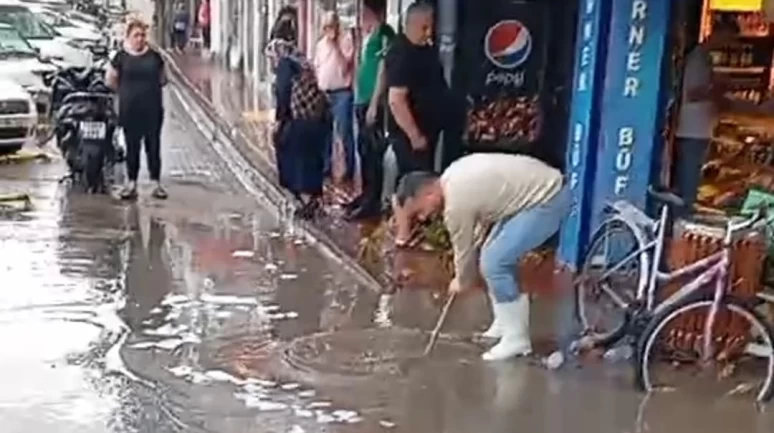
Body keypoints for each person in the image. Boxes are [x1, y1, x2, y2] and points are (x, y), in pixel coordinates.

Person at [395, 153, 571, 361]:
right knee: (492, 254)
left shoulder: (455, 205)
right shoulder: (453, 174)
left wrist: (461, 280)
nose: (424, 218)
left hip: (548, 198)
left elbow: (464, 251)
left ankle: (516, 338)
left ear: (427, 193)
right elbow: (481, 220)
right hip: (536, 192)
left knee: (495, 262)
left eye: (420, 211)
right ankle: (504, 323)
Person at [384, 2, 450, 244]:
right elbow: (396, 100)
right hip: (411, 135)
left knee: (421, 183)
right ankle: (403, 234)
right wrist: (414, 135)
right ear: (414, 24)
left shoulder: (424, 50)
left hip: (428, 131)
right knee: (410, 187)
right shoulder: (402, 53)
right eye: (425, 27)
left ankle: (414, 231)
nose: (429, 32)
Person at [673, 18, 738, 218]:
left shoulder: (704, 58)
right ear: (718, 34)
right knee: (688, 182)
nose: (728, 44)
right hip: (692, 129)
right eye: (728, 38)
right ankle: (680, 222)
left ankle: (681, 218)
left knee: (690, 179)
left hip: (699, 129)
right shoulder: (698, 58)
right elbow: (693, 93)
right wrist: (717, 89)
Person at [265, 38, 330, 219]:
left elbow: (283, 94)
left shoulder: (285, 66)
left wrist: (278, 121)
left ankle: (307, 201)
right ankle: (314, 199)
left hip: (299, 122)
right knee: (312, 160)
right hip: (318, 120)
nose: (270, 63)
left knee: (295, 160)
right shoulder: (302, 63)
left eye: (270, 58)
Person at [107, 18, 168, 200]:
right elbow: (111, 80)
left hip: (152, 110)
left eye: (143, 35)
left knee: (153, 146)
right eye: (136, 35)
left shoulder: (155, 57)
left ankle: (155, 183)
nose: (140, 39)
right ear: (128, 37)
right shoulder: (120, 58)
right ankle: (131, 183)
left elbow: (163, 79)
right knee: (132, 147)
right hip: (130, 110)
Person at [345, 0, 395, 220]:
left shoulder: (385, 33)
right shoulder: (368, 34)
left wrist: (375, 102)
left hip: (371, 101)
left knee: (373, 152)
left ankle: (373, 200)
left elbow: (383, 69)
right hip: (360, 98)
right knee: (363, 149)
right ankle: (365, 194)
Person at [313, 11, 356, 182]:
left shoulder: (345, 41)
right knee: (325, 132)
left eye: (331, 26)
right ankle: (325, 167)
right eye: (325, 27)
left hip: (342, 92)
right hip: (324, 93)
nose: (328, 30)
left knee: (344, 132)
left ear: (337, 26)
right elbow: (317, 66)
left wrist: (336, 45)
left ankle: (350, 168)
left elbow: (346, 66)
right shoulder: (320, 45)